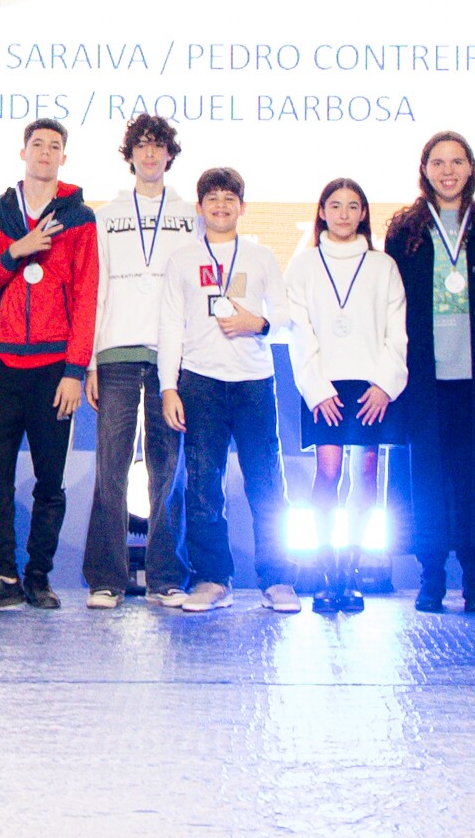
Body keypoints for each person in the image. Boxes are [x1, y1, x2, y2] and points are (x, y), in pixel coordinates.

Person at [0, 118, 99, 614]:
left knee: (50, 480)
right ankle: (2, 575)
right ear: (23, 153)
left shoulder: (80, 218)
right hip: (4, 363)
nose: (45, 152)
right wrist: (16, 251)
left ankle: (38, 577)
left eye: (55, 146)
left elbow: (87, 298)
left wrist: (75, 371)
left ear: (64, 158)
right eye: (37, 144)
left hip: (55, 368)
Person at [383, 132, 475, 613]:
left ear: (471, 168)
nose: (448, 171)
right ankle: (432, 576)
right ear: (424, 170)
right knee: (428, 481)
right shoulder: (404, 230)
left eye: (457, 161)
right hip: (425, 379)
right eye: (438, 162)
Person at [159, 167, 295, 613]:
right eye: (212, 199)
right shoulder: (181, 259)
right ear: (200, 208)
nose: (221, 206)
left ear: (242, 206)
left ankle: (278, 579)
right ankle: (213, 579)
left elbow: (286, 317)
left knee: (266, 482)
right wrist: (168, 386)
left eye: (229, 199)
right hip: (200, 381)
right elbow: (170, 326)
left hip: (254, 381)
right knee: (202, 485)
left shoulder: (261, 256)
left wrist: (259, 323)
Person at [84, 113, 199, 608]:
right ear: (129, 155)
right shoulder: (105, 215)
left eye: (158, 146)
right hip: (115, 352)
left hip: (173, 356)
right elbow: (95, 288)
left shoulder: (193, 215)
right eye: (141, 146)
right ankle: (105, 579)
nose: (150, 154)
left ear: (170, 154)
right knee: (110, 467)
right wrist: (89, 362)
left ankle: (166, 577)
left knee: (167, 469)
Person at [285, 177, 407, 614]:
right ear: (321, 212)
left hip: (372, 387)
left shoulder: (382, 265)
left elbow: (397, 332)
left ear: (363, 213)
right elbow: (299, 332)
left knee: (367, 475)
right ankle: (325, 572)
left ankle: (350, 572)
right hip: (325, 386)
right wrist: (317, 390)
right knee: (328, 473)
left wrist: (385, 386)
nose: (343, 214)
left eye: (352, 206)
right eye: (335, 205)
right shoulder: (303, 265)